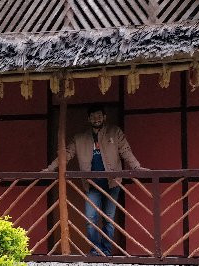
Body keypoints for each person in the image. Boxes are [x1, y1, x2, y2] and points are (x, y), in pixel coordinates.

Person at [45, 105, 143, 256]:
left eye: (99, 116)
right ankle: (95, 250)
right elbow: (66, 154)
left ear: (104, 117)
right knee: (90, 219)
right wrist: (50, 169)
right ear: (88, 119)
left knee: (109, 219)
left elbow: (125, 151)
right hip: (91, 184)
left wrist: (137, 167)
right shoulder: (80, 138)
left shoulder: (115, 132)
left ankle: (106, 251)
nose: (96, 119)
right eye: (93, 116)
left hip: (113, 183)